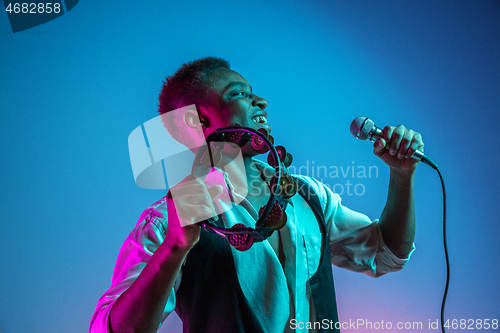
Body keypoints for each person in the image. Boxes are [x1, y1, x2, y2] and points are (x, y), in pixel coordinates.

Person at [89, 57, 422, 333]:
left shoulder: (308, 196)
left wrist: (402, 174)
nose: (261, 101)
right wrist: (174, 248)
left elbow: (387, 253)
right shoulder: (167, 221)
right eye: (240, 95)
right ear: (199, 120)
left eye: (254, 94)